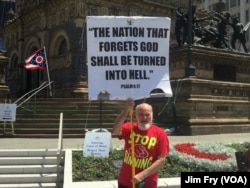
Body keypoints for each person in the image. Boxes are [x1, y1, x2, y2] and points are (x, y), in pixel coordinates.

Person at [112, 98, 169, 188]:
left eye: (147, 115)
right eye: (141, 115)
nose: (144, 118)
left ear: (152, 115)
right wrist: (126, 109)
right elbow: (115, 131)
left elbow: (161, 160)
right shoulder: (129, 127)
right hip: (125, 181)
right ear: (136, 115)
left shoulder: (160, 134)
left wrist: (141, 175)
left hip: (147, 183)